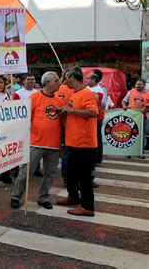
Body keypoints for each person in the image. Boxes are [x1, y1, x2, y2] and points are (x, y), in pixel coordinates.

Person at [10, 72, 63, 209]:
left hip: (54, 144)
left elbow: (62, 122)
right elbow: (25, 119)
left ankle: (43, 197)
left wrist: (62, 142)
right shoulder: (35, 97)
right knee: (26, 172)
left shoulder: (58, 100)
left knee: (50, 174)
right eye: (56, 80)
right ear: (48, 82)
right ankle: (16, 196)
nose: (59, 83)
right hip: (35, 143)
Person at [57, 66, 98, 217]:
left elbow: (93, 112)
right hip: (73, 142)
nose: (64, 80)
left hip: (84, 143)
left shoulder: (87, 93)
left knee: (84, 177)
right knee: (71, 173)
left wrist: (72, 110)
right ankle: (73, 197)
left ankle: (88, 207)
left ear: (72, 78)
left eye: (66, 77)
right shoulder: (75, 93)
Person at [87, 73, 105, 171]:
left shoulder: (98, 90)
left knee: (97, 137)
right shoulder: (89, 89)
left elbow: (97, 103)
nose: (87, 80)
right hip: (93, 117)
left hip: (97, 117)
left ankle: (98, 158)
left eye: (89, 78)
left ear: (94, 80)